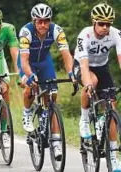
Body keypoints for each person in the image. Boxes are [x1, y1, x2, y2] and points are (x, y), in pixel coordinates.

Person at [17, 3, 74, 159]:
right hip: (27, 64)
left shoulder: (57, 30)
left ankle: (55, 140)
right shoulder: (25, 32)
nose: (43, 25)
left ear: (50, 20)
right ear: (34, 21)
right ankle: (27, 113)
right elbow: (24, 60)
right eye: (39, 21)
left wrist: (71, 72)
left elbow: (66, 54)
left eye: (46, 21)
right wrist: (29, 75)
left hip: (44, 62)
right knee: (29, 85)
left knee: (52, 96)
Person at [73, 3, 121, 171]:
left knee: (112, 108)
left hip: (103, 68)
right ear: (94, 22)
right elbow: (85, 66)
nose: (105, 27)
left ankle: (113, 155)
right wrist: (87, 85)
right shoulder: (84, 35)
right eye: (101, 23)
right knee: (91, 82)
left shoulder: (116, 34)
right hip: (83, 66)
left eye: (108, 24)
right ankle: (85, 119)